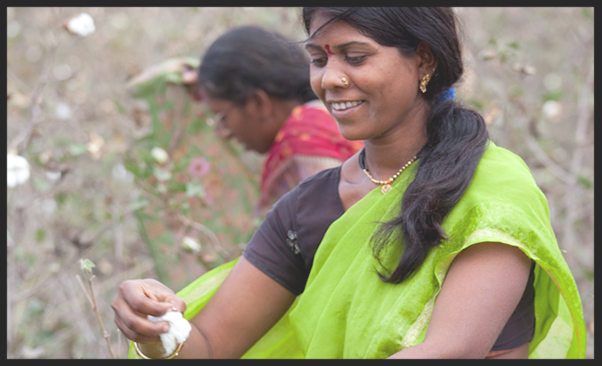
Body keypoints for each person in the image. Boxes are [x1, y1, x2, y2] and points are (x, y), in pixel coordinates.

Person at [112, 8, 586, 359]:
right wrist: (157, 326)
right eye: (318, 59)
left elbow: (451, 351)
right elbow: (211, 345)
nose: (330, 79)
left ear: (424, 60)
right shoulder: (306, 209)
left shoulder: (490, 191)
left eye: (355, 57)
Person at [195, 25, 363, 216]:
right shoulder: (336, 116)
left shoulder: (302, 144)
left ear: (258, 103)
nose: (224, 133)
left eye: (223, 118)